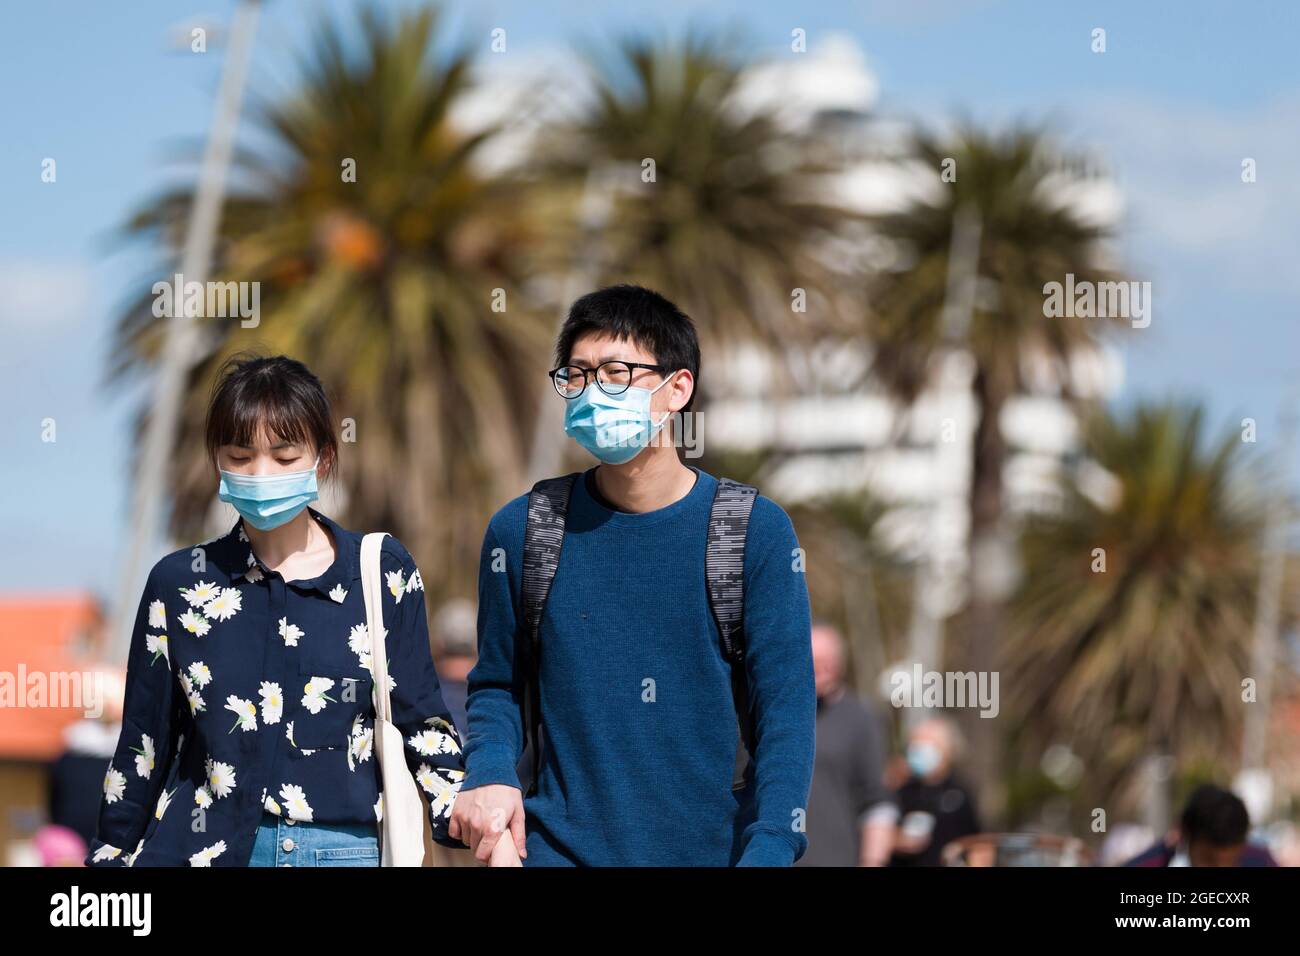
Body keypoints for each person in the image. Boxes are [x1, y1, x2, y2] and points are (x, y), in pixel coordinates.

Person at [450, 284, 815, 866]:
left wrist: (771, 845)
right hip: (556, 852)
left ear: (678, 389)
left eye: (617, 372)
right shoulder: (523, 530)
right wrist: (490, 773)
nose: (594, 391)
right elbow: (497, 684)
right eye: (578, 374)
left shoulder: (754, 532)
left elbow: (786, 714)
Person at [85, 354, 464, 867]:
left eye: (285, 457)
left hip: (336, 852)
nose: (261, 473)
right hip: (199, 850)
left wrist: (471, 818)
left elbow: (421, 717)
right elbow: (143, 742)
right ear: (217, 459)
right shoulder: (178, 583)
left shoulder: (379, 572)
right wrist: (110, 857)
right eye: (240, 456)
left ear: (323, 459)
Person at [796, 623, 897, 867]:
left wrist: (872, 860)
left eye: (826, 660)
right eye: (812, 659)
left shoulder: (861, 718)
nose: (819, 668)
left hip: (836, 857)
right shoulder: (774, 713)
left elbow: (877, 802)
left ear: (839, 663)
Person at [888, 717, 980, 867]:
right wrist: (895, 840)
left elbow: (975, 843)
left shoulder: (960, 794)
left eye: (928, 743)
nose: (920, 749)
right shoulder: (900, 789)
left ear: (947, 750)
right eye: (916, 743)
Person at [1124, 784, 1278, 867]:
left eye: (1231, 861)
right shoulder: (1148, 864)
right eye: (1208, 861)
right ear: (1184, 834)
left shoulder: (1262, 862)